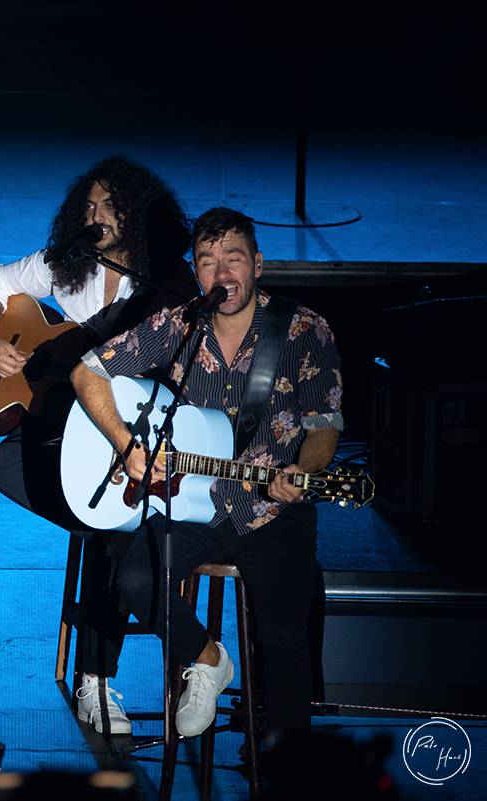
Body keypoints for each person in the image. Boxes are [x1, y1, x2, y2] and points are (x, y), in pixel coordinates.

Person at [71, 207, 343, 744]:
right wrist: (126, 443)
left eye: (233, 259)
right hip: (193, 502)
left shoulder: (304, 329)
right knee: (137, 578)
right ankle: (207, 659)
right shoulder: (180, 325)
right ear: (196, 272)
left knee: (284, 635)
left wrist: (302, 471)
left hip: (273, 511)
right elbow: (88, 371)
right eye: (207, 261)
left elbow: (324, 426)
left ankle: (288, 760)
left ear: (257, 264)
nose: (222, 273)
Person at [0, 157, 197, 733]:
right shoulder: (69, 264)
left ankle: (95, 679)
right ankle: (90, 519)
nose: (96, 216)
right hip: (60, 424)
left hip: (124, 432)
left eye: (110, 206)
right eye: (89, 206)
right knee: (4, 466)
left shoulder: (169, 282)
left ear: (137, 213)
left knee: (108, 528)